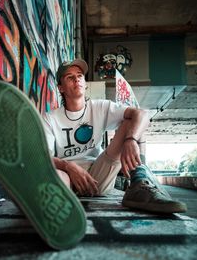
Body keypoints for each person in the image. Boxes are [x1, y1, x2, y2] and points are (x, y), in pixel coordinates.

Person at [42, 58, 187, 213]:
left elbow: (142, 114)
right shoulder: (50, 118)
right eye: (70, 77)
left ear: (85, 83)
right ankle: (52, 211)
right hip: (68, 175)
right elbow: (43, 156)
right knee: (53, 182)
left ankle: (139, 182)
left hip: (98, 174)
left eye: (80, 75)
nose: (76, 79)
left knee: (132, 121)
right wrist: (68, 166)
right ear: (61, 88)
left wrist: (131, 139)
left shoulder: (99, 107)